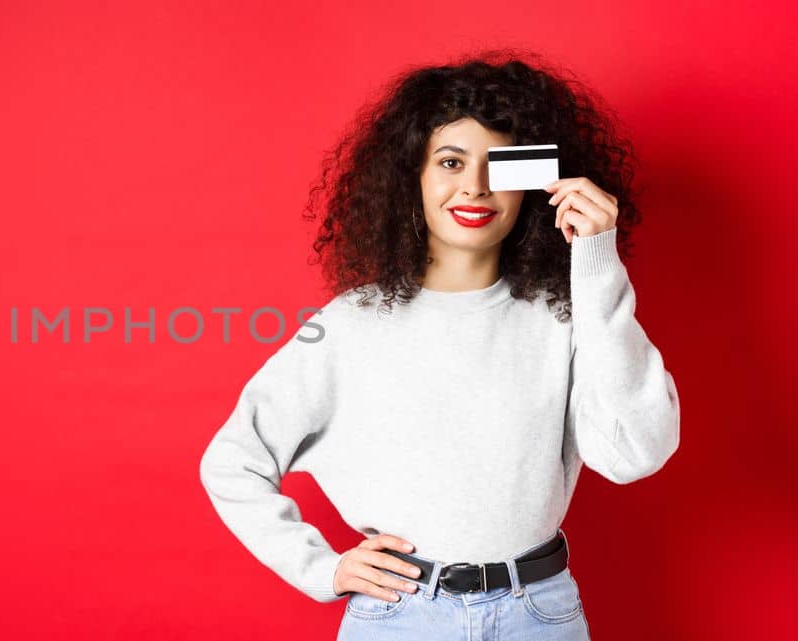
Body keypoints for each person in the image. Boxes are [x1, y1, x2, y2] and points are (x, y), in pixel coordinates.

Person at [196, 50, 680, 641]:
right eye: (450, 162)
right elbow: (233, 461)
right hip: (401, 617)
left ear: (531, 182)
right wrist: (323, 569)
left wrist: (596, 263)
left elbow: (637, 452)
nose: (474, 187)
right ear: (414, 176)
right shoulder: (351, 325)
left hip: (539, 613)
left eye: (498, 166)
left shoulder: (565, 318)